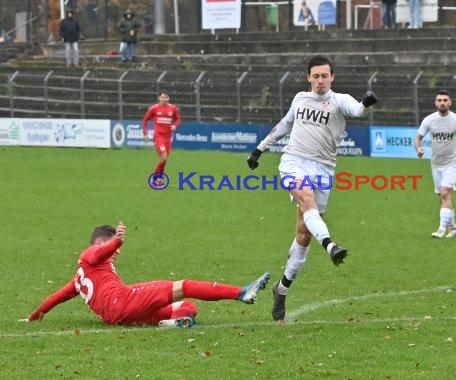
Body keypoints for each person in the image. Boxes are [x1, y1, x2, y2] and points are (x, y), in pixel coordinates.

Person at [246, 55, 378, 322]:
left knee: (303, 237)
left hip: (324, 169)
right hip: (293, 162)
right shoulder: (300, 99)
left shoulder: (339, 100)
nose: (320, 80)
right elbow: (285, 124)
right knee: (307, 201)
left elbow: (357, 110)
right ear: (308, 78)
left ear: (332, 77)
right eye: (315, 76)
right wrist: (259, 149)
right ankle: (330, 245)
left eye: (324, 76)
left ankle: (281, 291)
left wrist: (366, 103)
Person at [22, 222, 270, 328]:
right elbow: (99, 253)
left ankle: (171, 324)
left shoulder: (79, 278)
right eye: (108, 244)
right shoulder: (90, 255)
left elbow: (55, 297)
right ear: (99, 242)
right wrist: (116, 241)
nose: (116, 252)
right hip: (123, 301)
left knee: (186, 307)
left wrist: (35, 316)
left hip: (118, 316)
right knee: (182, 285)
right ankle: (242, 292)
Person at [414, 90, 456, 239]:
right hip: (436, 163)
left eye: (445, 100)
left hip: (453, 162)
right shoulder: (429, 120)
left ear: (450, 103)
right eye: (439, 100)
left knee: (444, 193)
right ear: (436, 103)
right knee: (443, 198)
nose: (442, 102)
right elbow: (418, 137)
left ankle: (441, 230)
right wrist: (418, 148)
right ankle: (454, 229)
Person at [142, 91, 181, 186]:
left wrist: (175, 125)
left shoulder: (173, 108)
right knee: (163, 156)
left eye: (167, 97)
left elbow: (178, 119)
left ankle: (158, 179)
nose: (165, 99)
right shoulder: (154, 108)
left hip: (168, 138)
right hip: (158, 136)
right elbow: (145, 119)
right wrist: (145, 133)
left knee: (164, 159)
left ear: (169, 98)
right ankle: (155, 179)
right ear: (159, 98)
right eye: (163, 97)